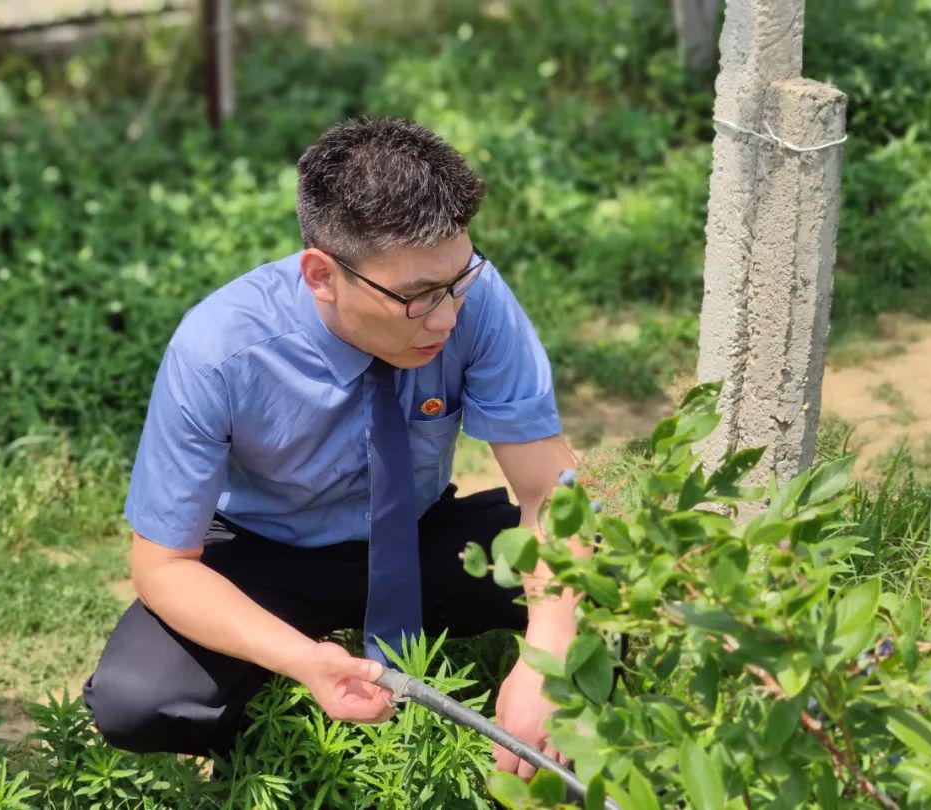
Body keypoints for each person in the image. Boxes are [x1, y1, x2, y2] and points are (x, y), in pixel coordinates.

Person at [81, 115, 588, 783]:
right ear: (322, 274)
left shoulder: (475, 300)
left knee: (610, 569)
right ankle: (270, 744)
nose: (445, 317)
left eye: (458, 280)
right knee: (136, 700)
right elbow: (163, 566)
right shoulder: (218, 352)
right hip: (268, 554)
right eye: (416, 297)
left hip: (418, 532)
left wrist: (545, 662)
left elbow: (551, 493)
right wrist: (301, 660)